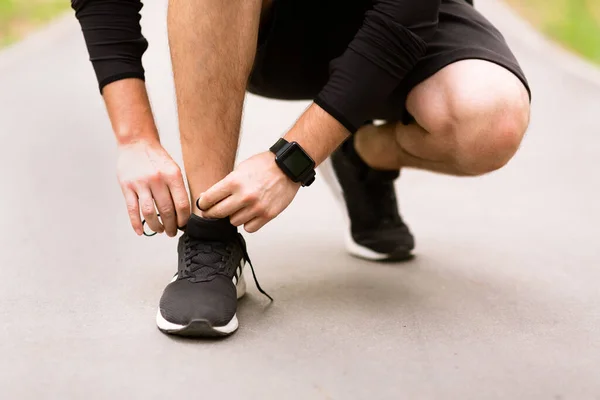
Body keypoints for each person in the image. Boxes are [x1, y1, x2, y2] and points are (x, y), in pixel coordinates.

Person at [71, 0, 531, 337]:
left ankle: (361, 157)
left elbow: (405, 17)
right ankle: (210, 232)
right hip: (258, 24)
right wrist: (136, 139)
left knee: (492, 120)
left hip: (403, 21)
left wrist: (292, 160)